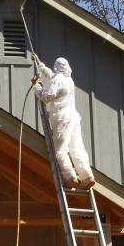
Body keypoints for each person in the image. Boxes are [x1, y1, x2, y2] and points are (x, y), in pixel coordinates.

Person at [31, 53, 95, 189]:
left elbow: (47, 97)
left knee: (60, 151)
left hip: (62, 118)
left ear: (56, 67)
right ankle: (87, 176)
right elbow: (52, 76)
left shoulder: (57, 80)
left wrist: (36, 86)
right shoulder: (68, 79)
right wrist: (40, 65)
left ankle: (70, 176)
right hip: (73, 117)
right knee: (77, 148)